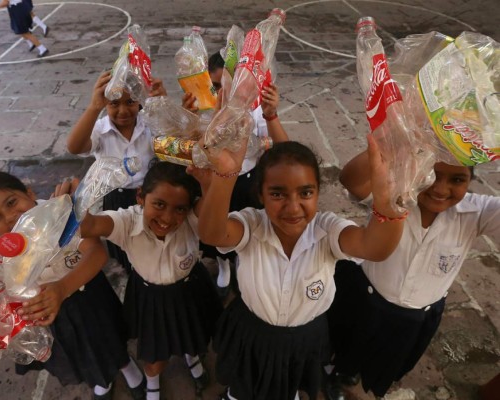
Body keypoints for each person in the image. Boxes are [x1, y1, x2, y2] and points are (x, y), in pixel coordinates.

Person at [197, 136, 407, 400]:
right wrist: (224, 176)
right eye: (277, 194)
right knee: (243, 383)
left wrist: (387, 206)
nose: (293, 207)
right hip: (252, 332)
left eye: (305, 193)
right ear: (260, 195)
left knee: (289, 383)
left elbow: (374, 247)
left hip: (303, 338)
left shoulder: (328, 230)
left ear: (318, 192)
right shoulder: (252, 225)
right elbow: (212, 234)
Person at [325, 151, 500, 399]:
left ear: (470, 181)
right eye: (432, 174)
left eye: (457, 180)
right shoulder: (393, 194)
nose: (440, 188)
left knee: (386, 358)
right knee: (344, 344)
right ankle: (337, 374)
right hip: (365, 298)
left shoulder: (477, 212)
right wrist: (392, 138)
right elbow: (351, 178)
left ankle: (355, 375)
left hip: (416, 316)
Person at [0, 172, 147, 400]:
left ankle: (129, 369)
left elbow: (97, 252)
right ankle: (102, 379)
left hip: (87, 295)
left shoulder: (59, 212)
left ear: (29, 193)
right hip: (49, 313)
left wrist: (62, 288)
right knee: (81, 353)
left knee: (109, 340)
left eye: (12, 203)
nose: (10, 217)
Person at [78, 161, 223, 400]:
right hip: (150, 298)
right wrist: (77, 203)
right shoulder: (127, 222)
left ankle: (191, 357)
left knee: (193, 336)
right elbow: (90, 225)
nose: (167, 217)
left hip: (190, 291)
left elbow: (210, 205)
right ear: (140, 197)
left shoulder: (192, 219)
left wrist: (210, 184)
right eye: (159, 204)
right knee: (154, 356)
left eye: (179, 209)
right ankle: (153, 382)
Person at [184, 51, 289, 299]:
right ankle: (222, 264)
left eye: (231, 87)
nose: (224, 95)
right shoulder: (205, 108)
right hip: (214, 182)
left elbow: (285, 149)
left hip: (247, 182)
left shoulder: (253, 111)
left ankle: (240, 260)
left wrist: (271, 113)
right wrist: (189, 117)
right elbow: (188, 144)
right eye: (217, 87)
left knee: (242, 228)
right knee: (214, 226)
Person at [67, 71, 166, 274]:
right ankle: (131, 272)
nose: (123, 111)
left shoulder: (150, 124)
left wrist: (162, 104)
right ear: (104, 103)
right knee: (122, 243)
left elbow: (175, 140)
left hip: (147, 196)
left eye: (130, 102)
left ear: (140, 100)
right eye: (114, 103)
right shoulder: (100, 129)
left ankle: (153, 269)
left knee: (151, 237)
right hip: (115, 197)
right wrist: (93, 108)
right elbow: (74, 147)